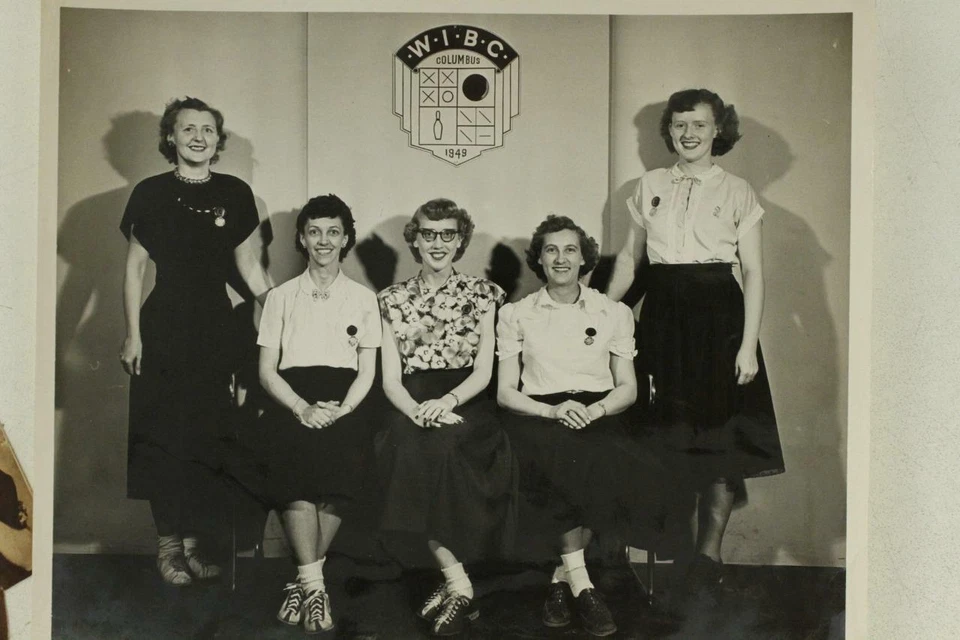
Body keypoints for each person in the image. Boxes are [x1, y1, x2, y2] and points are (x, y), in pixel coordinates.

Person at [606, 88, 785, 605]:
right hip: (663, 317)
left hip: (719, 323)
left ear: (717, 131)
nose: (689, 134)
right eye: (680, 125)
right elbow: (628, 262)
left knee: (719, 443)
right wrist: (593, 318)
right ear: (670, 130)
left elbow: (752, 271)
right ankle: (665, 559)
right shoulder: (649, 185)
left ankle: (709, 558)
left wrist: (747, 346)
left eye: (700, 125)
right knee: (663, 438)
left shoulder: (738, 191)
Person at [118, 97, 271, 586]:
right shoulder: (149, 192)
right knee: (164, 440)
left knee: (206, 438)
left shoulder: (235, 192)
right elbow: (134, 269)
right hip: (162, 327)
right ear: (171, 137)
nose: (199, 137)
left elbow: (249, 269)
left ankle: (190, 547)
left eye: (208, 129)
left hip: (214, 328)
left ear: (217, 140)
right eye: (188, 129)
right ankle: (167, 548)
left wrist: (285, 317)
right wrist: (132, 335)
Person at [497, 215, 669, 638]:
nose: (561, 258)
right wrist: (552, 412)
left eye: (570, 249)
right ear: (539, 259)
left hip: (599, 411)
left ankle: (561, 581)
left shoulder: (612, 312)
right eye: (551, 250)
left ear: (584, 258)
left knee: (604, 454)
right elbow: (506, 392)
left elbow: (627, 387)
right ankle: (584, 586)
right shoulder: (516, 314)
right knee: (560, 454)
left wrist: (595, 411)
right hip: (538, 413)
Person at [229, 195, 381, 634]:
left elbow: (367, 371)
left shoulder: (363, 299)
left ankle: (303, 580)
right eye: (314, 231)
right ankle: (315, 587)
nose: (323, 241)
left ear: (346, 238)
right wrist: (301, 407)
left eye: (333, 231)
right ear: (301, 238)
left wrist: (342, 410)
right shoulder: (279, 297)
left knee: (344, 463)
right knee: (293, 462)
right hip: (291, 399)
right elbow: (266, 371)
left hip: (345, 402)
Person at [376, 198, 518, 636]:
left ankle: (456, 584)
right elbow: (390, 380)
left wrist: (448, 403)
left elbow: (483, 371)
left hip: (467, 400)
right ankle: (459, 584)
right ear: (414, 240)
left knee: (446, 450)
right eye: (428, 234)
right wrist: (417, 410)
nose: (437, 243)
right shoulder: (390, 299)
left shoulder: (484, 294)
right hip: (412, 402)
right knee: (404, 447)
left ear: (460, 241)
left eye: (447, 235)